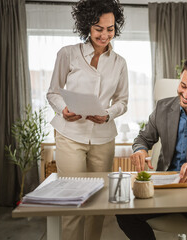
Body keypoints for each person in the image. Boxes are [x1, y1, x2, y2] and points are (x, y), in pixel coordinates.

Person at [116, 57, 187, 240]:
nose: (185, 94)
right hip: (165, 186)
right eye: (183, 86)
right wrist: (140, 150)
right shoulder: (163, 107)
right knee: (124, 214)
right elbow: (144, 138)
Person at [46, 0, 128, 239]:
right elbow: (53, 92)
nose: (105, 34)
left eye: (110, 28)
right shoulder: (68, 54)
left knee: (97, 203)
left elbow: (122, 101)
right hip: (69, 135)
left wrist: (108, 114)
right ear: (87, 27)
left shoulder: (119, 63)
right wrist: (63, 110)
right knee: (72, 199)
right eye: (98, 28)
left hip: (103, 138)